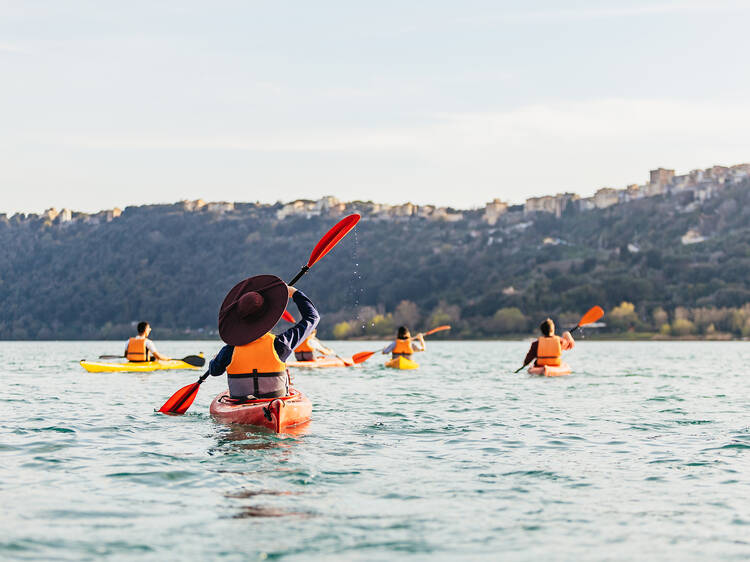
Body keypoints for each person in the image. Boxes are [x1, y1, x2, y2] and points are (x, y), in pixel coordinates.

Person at [208, 275, 319, 399]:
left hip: (240, 403)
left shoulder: (229, 350)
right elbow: (312, 317)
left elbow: (214, 371)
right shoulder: (281, 344)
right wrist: (296, 294)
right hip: (275, 401)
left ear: (240, 320)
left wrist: (215, 360)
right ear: (268, 316)